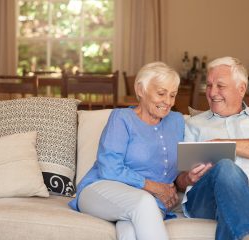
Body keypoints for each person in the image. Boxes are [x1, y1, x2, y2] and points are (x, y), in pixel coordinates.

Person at [69, 62, 184, 240]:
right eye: (161, 93)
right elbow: (109, 168)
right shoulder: (122, 118)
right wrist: (155, 187)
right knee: (143, 203)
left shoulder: (177, 121)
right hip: (101, 190)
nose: (168, 102)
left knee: (130, 232)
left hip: (151, 203)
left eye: (173, 95)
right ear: (140, 90)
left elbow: (180, 167)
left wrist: (177, 184)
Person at [175, 56, 249, 240]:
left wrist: (222, 145)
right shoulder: (193, 124)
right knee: (225, 167)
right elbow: (179, 181)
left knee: (228, 171)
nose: (212, 92)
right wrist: (188, 178)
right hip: (204, 200)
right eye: (209, 85)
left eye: (220, 86)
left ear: (241, 89)